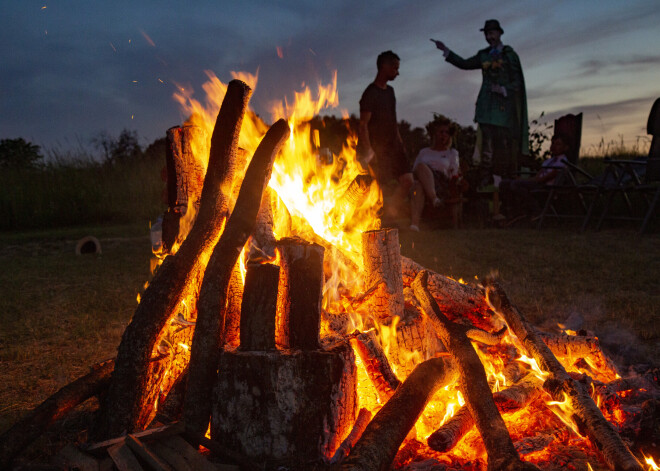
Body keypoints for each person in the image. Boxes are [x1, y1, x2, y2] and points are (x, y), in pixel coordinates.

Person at [431, 19, 528, 183]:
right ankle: (486, 181)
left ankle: (500, 182)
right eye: (486, 34)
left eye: (492, 33)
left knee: (502, 146)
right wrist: (446, 50)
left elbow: (517, 81)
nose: (489, 37)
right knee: (486, 146)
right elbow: (465, 64)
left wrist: (504, 89)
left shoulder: (509, 55)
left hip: (503, 109)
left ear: (499, 33)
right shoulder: (483, 55)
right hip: (486, 106)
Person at [358, 50, 415, 224]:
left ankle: (390, 213)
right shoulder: (370, 93)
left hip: (394, 146)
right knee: (378, 186)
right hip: (378, 148)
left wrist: (400, 143)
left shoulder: (390, 91)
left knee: (408, 180)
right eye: (395, 68)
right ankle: (380, 220)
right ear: (384, 66)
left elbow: (393, 120)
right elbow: (363, 124)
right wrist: (368, 150)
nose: (397, 72)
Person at [498, 133, 570, 224]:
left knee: (515, 184)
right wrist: (522, 179)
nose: (554, 146)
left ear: (566, 147)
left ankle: (535, 210)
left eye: (558, 144)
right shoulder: (549, 161)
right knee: (504, 183)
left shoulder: (562, 163)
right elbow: (537, 176)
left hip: (547, 187)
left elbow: (543, 179)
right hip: (538, 184)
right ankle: (510, 211)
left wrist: (522, 180)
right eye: (553, 143)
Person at [409, 117, 464, 231]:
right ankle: (415, 225)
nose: (443, 135)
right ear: (434, 134)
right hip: (423, 182)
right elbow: (415, 171)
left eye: (446, 133)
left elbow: (454, 171)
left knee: (421, 169)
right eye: (441, 132)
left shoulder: (451, 153)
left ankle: (434, 198)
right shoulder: (424, 152)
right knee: (418, 184)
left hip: (442, 183)